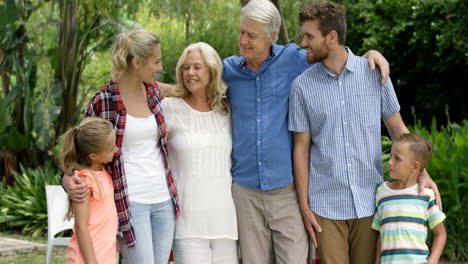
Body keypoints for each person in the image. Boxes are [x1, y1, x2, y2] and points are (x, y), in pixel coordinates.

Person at [222, 0, 391, 263]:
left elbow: (334, 55)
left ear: (270, 36)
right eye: (241, 32)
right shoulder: (228, 70)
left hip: (286, 189)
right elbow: (193, 80)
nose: (243, 40)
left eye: (251, 35)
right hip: (246, 190)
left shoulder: (295, 61)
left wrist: (370, 54)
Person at [289, 2, 440, 264]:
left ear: (332, 37)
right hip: (326, 206)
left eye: (310, 36)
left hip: (371, 202)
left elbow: (399, 132)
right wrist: (304, 205)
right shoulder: (302, 87)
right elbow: (300, 148)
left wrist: (423, 173)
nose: (304, 42)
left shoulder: (375, 74)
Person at [62, 28, 179, 264]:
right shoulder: (103, 100)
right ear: (136, 62)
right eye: (156, 61)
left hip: (164, 199)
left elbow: (187, 89)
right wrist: (66, 179)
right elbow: (79, 147)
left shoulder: (154, 91)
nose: (159, 67)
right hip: (130, 202)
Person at [161, 42, 238, 264]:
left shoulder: (226, 112)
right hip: (187, 222)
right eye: (185, 68)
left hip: (225, 221)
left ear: (212, 72)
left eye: (197, 67)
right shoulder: (170, 107)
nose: (190, 73)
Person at [372, 133, 446, 264]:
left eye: (397, 159)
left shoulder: (425, 195)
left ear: (415, 167)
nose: (390, 162)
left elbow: (440, 233)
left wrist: (433, 260)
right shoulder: (382, 192)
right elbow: (380, 234)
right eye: (390, 156)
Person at [62, 117, 118, 264]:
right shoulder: (84, 181)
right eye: (111, 148)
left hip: (104, 255)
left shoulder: (105, 172)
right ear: (93, 156)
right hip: (86, 258)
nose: (116, 149)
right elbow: (81, 227)